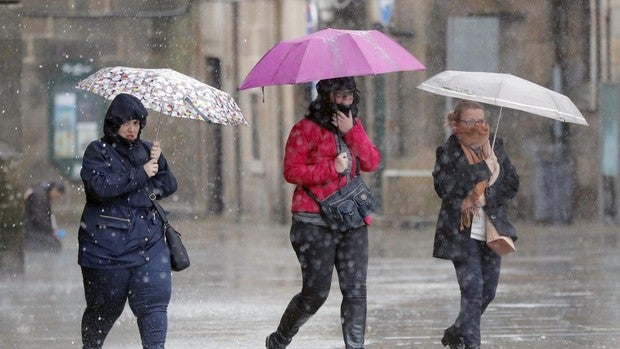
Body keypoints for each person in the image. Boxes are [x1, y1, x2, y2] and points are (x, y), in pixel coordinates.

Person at [265, 77, 381, 349]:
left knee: (355, 292)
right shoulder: (304, 130)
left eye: (350, 94)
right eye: (340, 94)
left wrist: (352, 132)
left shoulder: (354, 126)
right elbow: (292, 171)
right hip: (313, 223)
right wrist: (332, 168)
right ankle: (280, 338)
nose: (346, 100)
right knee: (315, 294)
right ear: (326, 95)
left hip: (352, 221)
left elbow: (372, 162)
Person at [77, 93, 178, 349]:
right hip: (106, 249)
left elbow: (167, 185)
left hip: (150, 245)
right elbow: (99, 188)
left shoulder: (146, 151)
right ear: (113, 124)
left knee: (154, 306)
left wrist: (159, 161)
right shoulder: (96, 151)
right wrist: (140, 173)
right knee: (103, 311)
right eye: (125, 123)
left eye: (136, 122)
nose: (131, 128)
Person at [432, 100, 520, 349]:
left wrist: (487, 195)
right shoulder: (447, 152)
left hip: (491, 230)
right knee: (472, 291)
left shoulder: (496, 148)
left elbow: (512, 183)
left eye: (481, 121)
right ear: (456, 124)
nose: (476, 127)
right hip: (461, 232)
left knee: (488, 292)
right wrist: (484, 171)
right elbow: (443, 187)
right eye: (469, 122)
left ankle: (456, 332)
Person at [23, 181, 65, 252]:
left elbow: (46, 216)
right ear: (55, 190)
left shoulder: (43, 193)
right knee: (55, 246)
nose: (56, 198)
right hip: (31, 232)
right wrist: (51, 231)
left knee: (55, 244)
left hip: (33, 229)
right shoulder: (40, 196)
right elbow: (39, 218)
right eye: (57, 196)